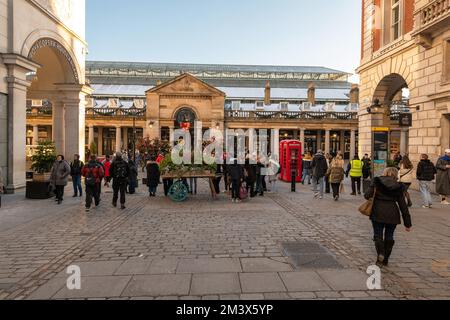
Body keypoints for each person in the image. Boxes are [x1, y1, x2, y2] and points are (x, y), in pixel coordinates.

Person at [364, 167, 412, 267]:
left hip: (378, 211)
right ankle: (385, 259)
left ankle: (380, 254)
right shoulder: (398, 186)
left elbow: (367, 195)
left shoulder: (377, 181)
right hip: (392, 214)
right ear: (395, 175)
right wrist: (408, 223)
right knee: (389, 236)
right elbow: (403, 206)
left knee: (378, 235)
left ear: (385, 172)